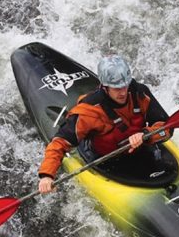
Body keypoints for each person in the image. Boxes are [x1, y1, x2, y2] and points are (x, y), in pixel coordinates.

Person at [38, 55, 171, 193]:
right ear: (105, 87)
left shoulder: (140, 93)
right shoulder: (89, 111)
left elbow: (167, 127)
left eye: (125, 86)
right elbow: (59, 143)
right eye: (117, 88)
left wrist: (146, 135)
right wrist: (47, 175)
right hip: (108, 162)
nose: (123, 92)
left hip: (142, 150)